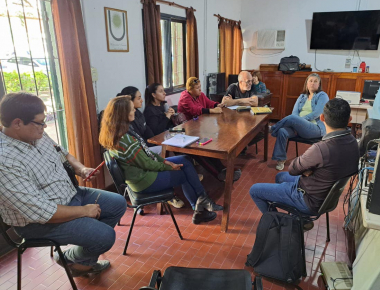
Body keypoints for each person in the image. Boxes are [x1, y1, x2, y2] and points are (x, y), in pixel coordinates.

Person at [0, 93, 126, 277]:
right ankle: (72, 258)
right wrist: (84, 211)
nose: (44, 127)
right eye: (40, 122)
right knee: (105, 236)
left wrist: (81, 169)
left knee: (118, 204)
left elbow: (64, 154)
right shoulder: (5, 160)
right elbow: (42, 211)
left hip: (71, 194)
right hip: (38, 222)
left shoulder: (36, 135)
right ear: (18, 123)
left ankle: (82, 262)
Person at [99, 96, 223, 224]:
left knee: (185, 159)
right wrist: (169, 166)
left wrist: (165, 161)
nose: (135, 111)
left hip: (141, 176)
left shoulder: (118, 133)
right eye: (131, 109)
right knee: (184, 171)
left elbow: (146, 153)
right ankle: (200, 207)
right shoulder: (125, 140)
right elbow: (147, 163)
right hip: (144, 181)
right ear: (123, 114)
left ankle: (202, 203)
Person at [250, 98, 359, 230]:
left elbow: (293, 168)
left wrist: (308, 170)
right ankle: (301, 219)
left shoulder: (321, 148)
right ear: (350, 119)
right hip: (327, 197)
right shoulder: (354, 143)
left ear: (322, 118)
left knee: (255, 190)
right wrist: (313, 171)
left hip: (308, 199)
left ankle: (279, 224)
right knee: (280, 177)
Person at [178, 77, 241, 182]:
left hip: (198, 127)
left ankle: (222, 168)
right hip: (187, 131)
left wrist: (218, 105)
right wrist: (212, 111)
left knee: (210, 146)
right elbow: (195, 110)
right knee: (203, 152)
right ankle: (219, 174)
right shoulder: (185, 97)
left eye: (200, 87)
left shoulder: (200, 95)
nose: (200, 90)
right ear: (190, 89)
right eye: (197, 88)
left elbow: (209, 102)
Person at [270, 73, 329, 170]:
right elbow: (295, 112)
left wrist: (300, 121)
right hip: (298, 127)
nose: (312, 83)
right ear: (306, 83)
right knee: (282, 131)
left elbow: (317, 113)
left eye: (315, 81)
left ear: (319, 84)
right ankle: (280, 160)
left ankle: (273, 128)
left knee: (293, 118)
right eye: (310, 81)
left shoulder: (322, 96)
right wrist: (297, 124)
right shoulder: (302, 97)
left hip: (314, 128)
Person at [116, 86, 162, 155]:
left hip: (146, 145)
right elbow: (138, 141)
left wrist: (154, 142)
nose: (142, 100)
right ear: (130, 100)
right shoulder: (128, 119)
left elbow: (147, 129)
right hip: (139, 150)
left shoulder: (138, 112)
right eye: (139, 98)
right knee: (163, 148)